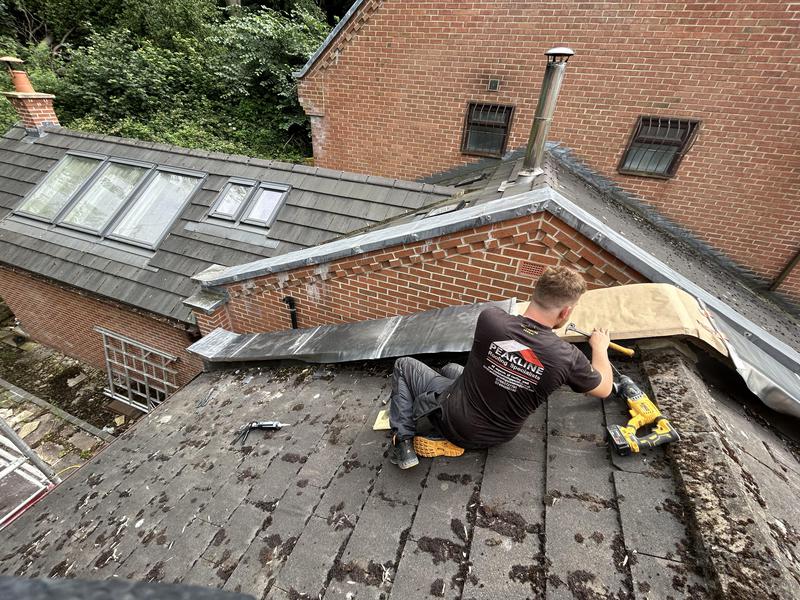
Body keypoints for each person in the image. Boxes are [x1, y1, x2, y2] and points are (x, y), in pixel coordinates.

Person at [389, 265, 613, 469]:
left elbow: (518, 333)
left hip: (456, 423)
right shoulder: (567, 357)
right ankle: (441, 438)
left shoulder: (491, 320)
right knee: (451, 368)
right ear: (565, 312)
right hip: (498, 435)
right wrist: (600, 348)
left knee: (404, 365)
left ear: (534, 294)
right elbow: (604, 388)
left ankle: (403, 443)